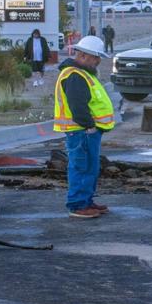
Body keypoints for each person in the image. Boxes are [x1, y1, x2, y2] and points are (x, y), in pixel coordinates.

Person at [53, 36, 117, 220]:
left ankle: (86, 201)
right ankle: (78, 204)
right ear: (83, 55)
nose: (98, 61)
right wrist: (89, 126)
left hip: (86, 131)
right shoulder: (75, 76)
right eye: (96, 57)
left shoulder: (83, 74)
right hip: (82, 130)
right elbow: (78, 106)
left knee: (89, 167)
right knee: (81, 167)